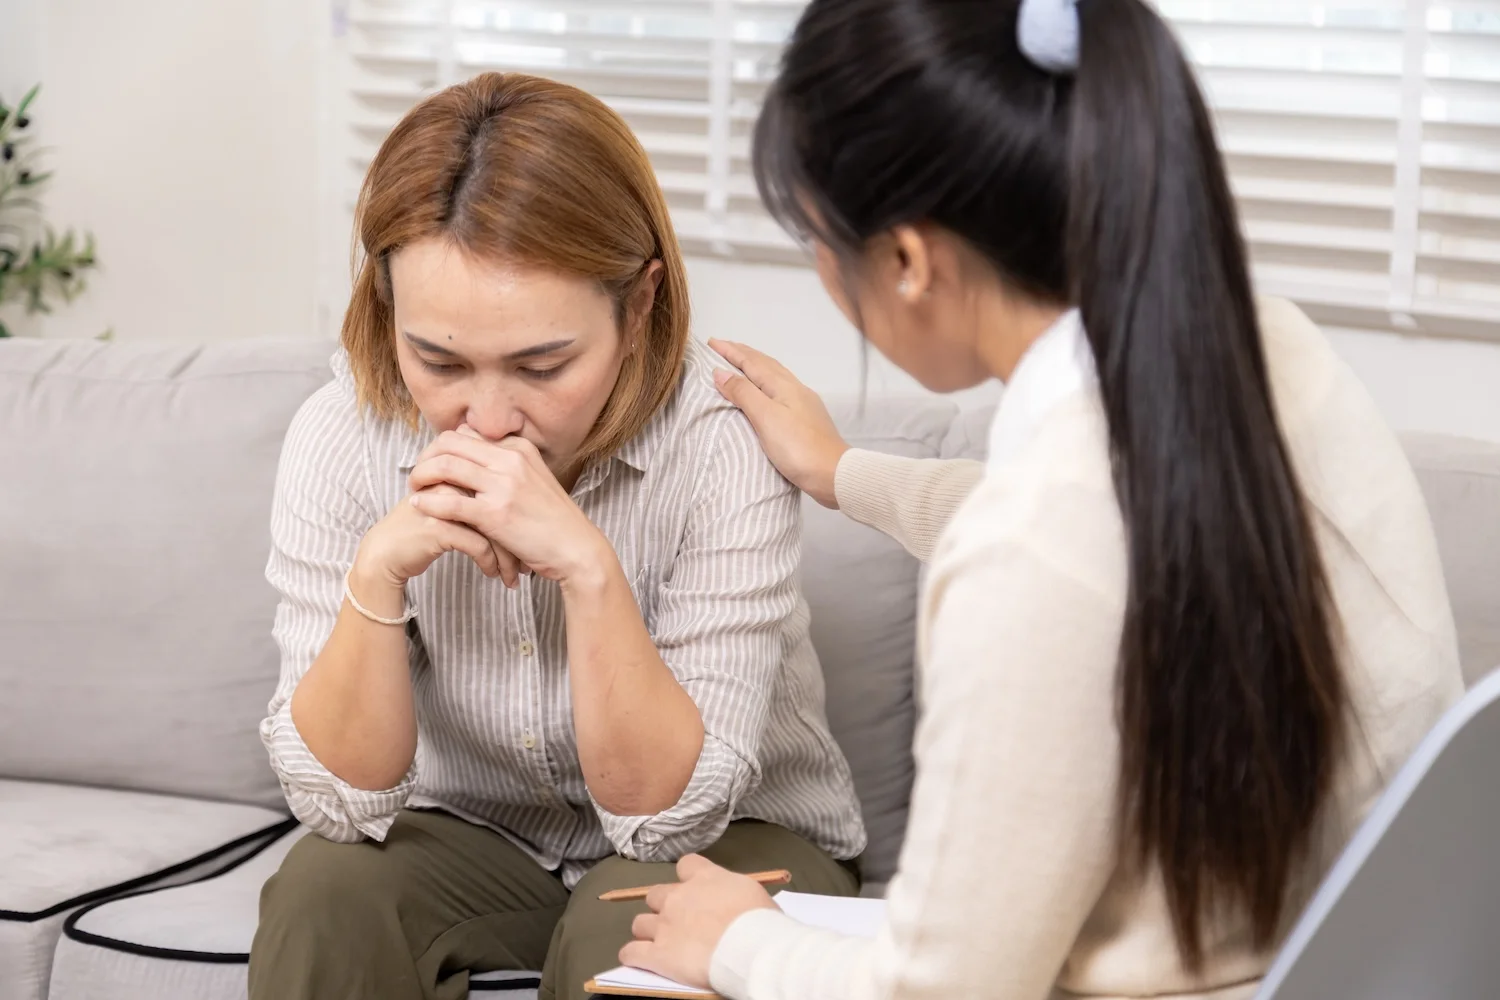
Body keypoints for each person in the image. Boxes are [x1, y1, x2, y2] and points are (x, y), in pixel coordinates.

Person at [618, 1, 1464, 998]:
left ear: (906, 260)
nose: (821, 272)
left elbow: (939, 990)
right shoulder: (1272, 354)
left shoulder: (1036, 553)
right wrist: (844, 472)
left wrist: (738, 941)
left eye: (817, 240)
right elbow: (1119, 545)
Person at [246, 72, 865, 1000]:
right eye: (439, 359)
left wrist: (585, 564)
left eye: (544, 365)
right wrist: (377, 574)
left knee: (627, 926)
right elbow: (338, 803)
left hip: (734, 838)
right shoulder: (342, 434)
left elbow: (669, 819)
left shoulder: (722, 441)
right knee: (324, 892)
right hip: (476, 835)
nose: (488, 419)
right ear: (386, 308)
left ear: (641, 302)